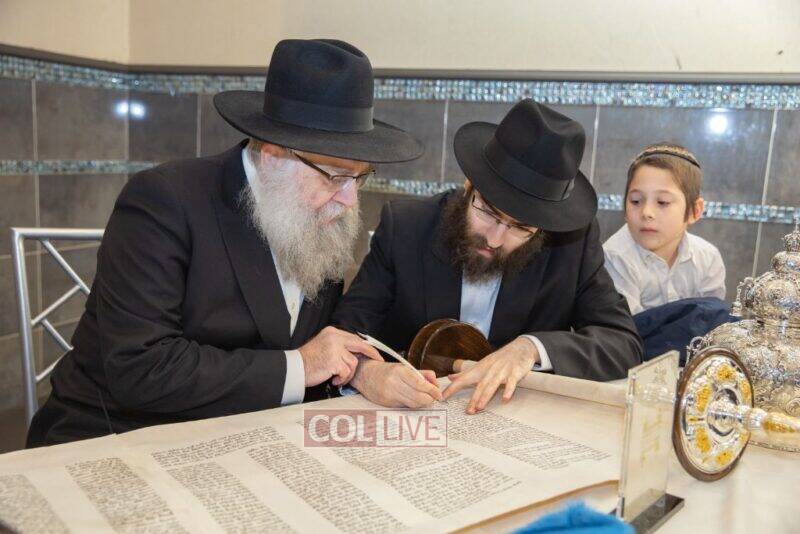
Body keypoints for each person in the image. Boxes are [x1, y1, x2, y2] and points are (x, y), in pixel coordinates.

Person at [26, 39, 423, 446]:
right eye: (336, 176)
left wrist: (362, 371)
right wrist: (301, 366)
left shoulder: (320, 215)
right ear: (274, 157)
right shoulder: (164, 200)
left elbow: (320, 340)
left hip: (246, 437)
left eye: (359, 177)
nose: (350, 199)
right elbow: (141, 367)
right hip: (119, 434)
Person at [333, 100, 643, 414]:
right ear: (469, 186)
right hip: (410, 416)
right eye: (488, 212)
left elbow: (622, 343)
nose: (494, 239)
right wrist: (367, 373)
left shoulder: (571, 244)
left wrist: (531, 348)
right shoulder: (406, 227)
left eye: (521, 228)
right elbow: (346, 330)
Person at [603, 143, 729, 363]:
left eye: (662, 202)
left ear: (695, 211)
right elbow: (627, 336)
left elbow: (711, 328)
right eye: (635, 201)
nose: (646, 212)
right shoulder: (615, 257)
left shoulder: (708, 258)